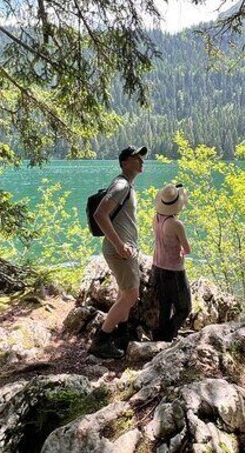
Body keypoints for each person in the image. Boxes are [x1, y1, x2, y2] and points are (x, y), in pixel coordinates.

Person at [88, 145, 147, 359]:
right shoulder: (121, 184)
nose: (141, 160)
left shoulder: (126, 185)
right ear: (124, 162)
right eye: (135, 157)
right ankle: (101, 340)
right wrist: (120, 245)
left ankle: (122, 336)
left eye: (141, 157)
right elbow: (100, 214)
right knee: (131, 295)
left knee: (125, 294)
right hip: (119, 250)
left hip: (122, 249)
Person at [151, 183, 192, 342]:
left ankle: (159, 337)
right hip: (174, 271)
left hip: (157, 267)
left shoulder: (156, 218)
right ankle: (168, 336)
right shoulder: (176, 224)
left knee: (165, 306)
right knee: (184, 308)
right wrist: (181, 251)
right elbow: (187, 249)